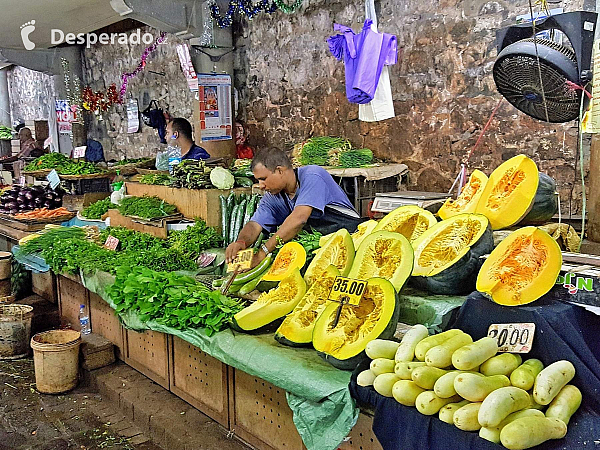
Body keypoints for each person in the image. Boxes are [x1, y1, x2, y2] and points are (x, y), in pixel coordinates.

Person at [225, 148, 363, 266]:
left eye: (263, 179)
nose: (260, 185)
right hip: (322, 250)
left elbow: (299, 219)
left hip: (353, 240)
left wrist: (262, 253)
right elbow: (255, 225)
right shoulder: (273, 196)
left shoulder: (312, 176)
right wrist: (241, 242)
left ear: (279, 170)